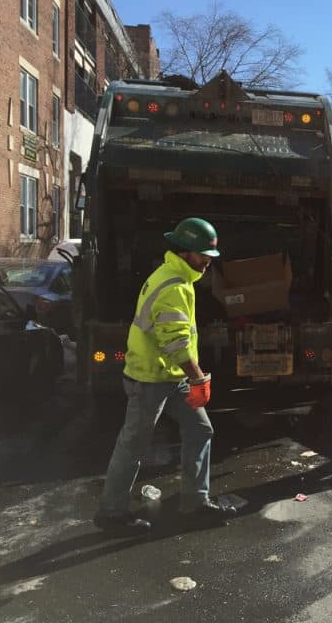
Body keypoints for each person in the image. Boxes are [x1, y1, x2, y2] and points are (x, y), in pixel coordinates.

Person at [94, 218, 236, 536]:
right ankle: (111, 513)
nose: (208, 263)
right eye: (203, 256)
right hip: (151, 378)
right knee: (133, 445)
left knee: (200, 429)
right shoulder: (173, 286)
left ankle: (196, 503)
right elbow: (175, 342)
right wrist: (199, 379)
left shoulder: (176, 278)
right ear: (184, 252)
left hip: (168, 376)